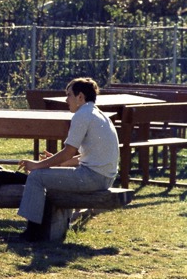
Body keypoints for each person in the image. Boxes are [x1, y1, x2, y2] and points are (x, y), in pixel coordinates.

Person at [17, 77, 119, 241]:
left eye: (69, 95)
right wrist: (58, 164)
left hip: (93, 178)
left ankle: (32, 233)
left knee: (36, 177)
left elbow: (68, 152)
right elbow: (86, 157)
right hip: (104, 178)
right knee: (45, 173)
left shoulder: (82, 115)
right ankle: (45, 228)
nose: (66, 100)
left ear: (80, 97)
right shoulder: (98, 114)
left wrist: (37, 165)